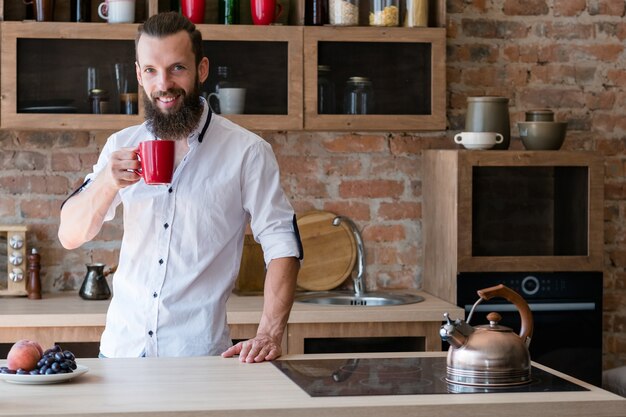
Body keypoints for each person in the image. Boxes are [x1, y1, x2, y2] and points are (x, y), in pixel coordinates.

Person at [57, 11, 302, 363]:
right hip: (121, 353)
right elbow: (70, 235)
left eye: (177, 68)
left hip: (198, 357)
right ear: (140, 75)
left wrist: (269, 333)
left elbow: (282, 243)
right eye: (152, 71)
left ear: (201, 69)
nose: (164, 84)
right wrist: (107, 183)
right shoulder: (120, 146)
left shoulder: (247, 152)